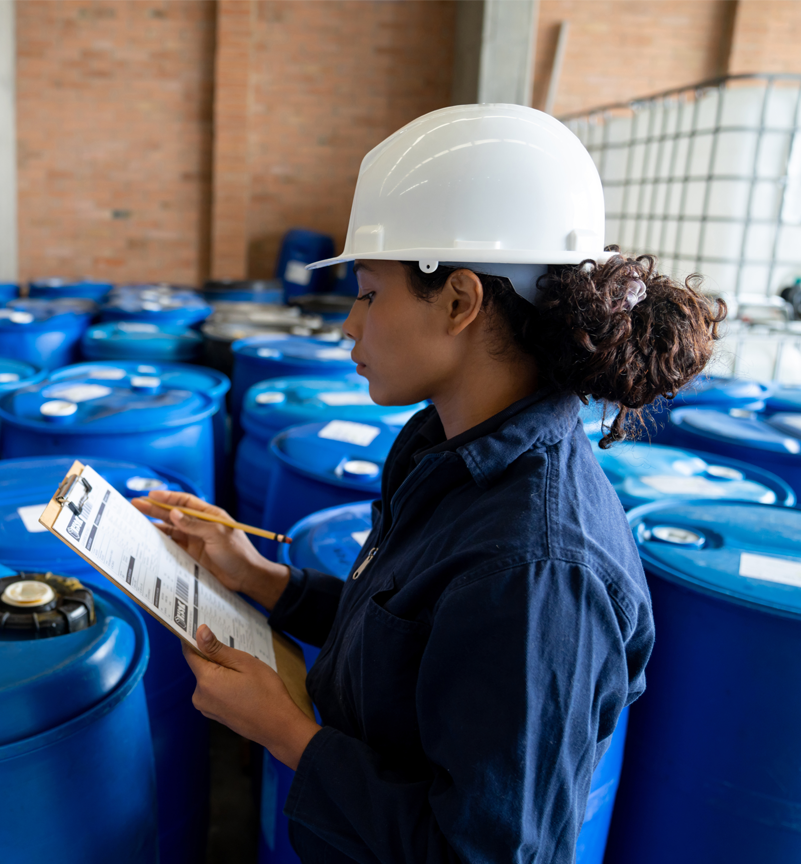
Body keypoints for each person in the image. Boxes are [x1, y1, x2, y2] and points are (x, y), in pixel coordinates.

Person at [134, 103, 725, 863]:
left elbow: (485, 854)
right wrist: (263, 578)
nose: (350, 323)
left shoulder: (537, 574)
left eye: (370, 293)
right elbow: (410, 637)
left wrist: (283, 730)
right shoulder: (449, 452)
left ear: (460, 301)